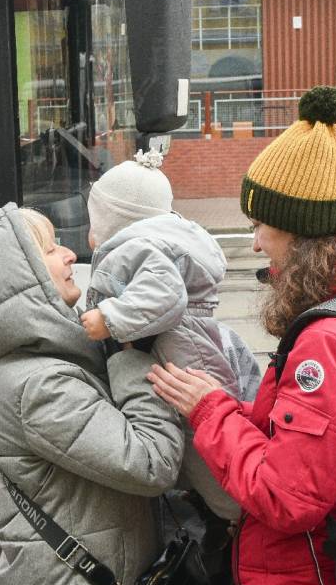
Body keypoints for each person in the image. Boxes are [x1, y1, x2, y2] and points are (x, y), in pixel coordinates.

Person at [148, 86, 336, 585]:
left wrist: (210, 412)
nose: (254, 244)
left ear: (296, 230)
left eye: (259, 226)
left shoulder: (327, 342)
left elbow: (288, 497)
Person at [0, 204, 184, 585]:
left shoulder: (46, 360)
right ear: (17, 284)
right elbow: (152, 462)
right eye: (50, 249)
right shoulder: (38, 385)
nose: (69, 256)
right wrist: (131, 357)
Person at [80, 147, 261, 520]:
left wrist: (108, 317)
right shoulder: (163, 240)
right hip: (200, 337)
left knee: (200, 429)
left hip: (178, 346)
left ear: (115, 221)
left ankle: (239, 510)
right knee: (230, 404)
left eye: (95, 223)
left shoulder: (133, 248)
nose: (90, 235)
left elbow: (166, 295)